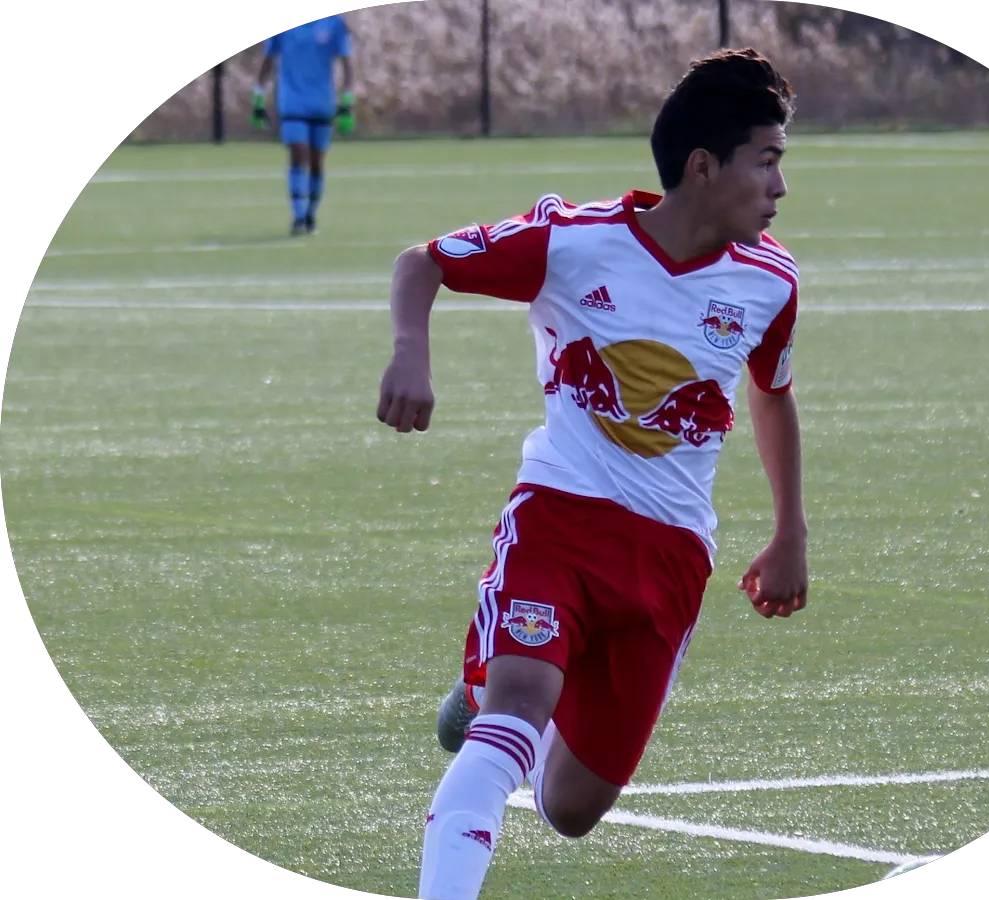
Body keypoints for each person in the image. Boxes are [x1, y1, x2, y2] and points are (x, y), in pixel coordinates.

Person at [377, 47, 809, 900]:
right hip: (559, 520)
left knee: (571, 808)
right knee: (515, 715)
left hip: (671, 556)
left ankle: (485, 693)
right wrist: (409, 354)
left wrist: (790, 528)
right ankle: (495, 710)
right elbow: (421, 263)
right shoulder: (574, 242)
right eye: (767, 162)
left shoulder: (771, 281)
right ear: (703, 167)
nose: (780, 187)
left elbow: (771, 393)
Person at [252, 14, 355, 236]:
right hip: (292, 102)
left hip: (322, 103)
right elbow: (268, 60)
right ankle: (298, 216)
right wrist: (258, 96)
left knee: (317, 161)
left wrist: (347, 102)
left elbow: (347, 63)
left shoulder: (334, 23)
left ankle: (310, 214)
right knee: (298, 153)